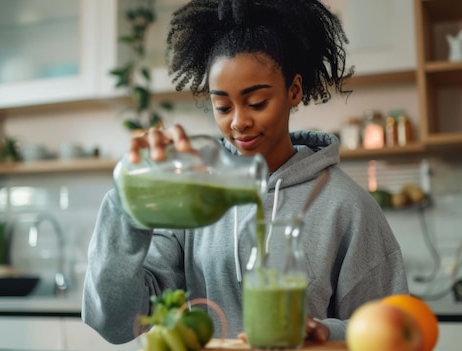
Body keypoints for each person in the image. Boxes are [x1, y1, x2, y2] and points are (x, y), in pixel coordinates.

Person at [82, 0, 408, 345]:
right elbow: (115, 323)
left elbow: (393, 331)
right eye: (222, 106)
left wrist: (325, 332)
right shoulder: (194, 196)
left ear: (293, 91)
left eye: (256, 103)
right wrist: (126, 201)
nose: (238, 122)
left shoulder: (346, 205)